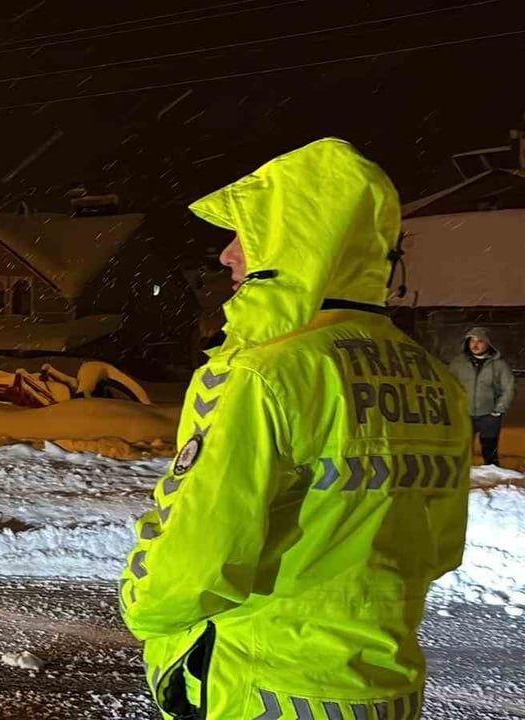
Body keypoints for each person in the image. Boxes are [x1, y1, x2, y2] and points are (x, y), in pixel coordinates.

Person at [119, 139, 470, 719]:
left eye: (247, 233)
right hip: (383, 690)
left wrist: (141, 606)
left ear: (299, 241)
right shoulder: (435, 380)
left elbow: (193, 561)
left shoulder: (265, 372)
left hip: (262, 685)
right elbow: (438, 547)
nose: (228, 256)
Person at [448, 326, 515, 467]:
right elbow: (449, 386)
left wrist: (498, 409)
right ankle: (463, 481)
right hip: (464, 415)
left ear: (488, 343)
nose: (475, 344)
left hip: (489, 416)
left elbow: (509, 388)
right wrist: (454, 408)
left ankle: (495, 484)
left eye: (480, 341)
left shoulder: (499, 365)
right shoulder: (458, 364)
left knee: (489, 452)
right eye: (472, 340)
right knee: (460, 451)